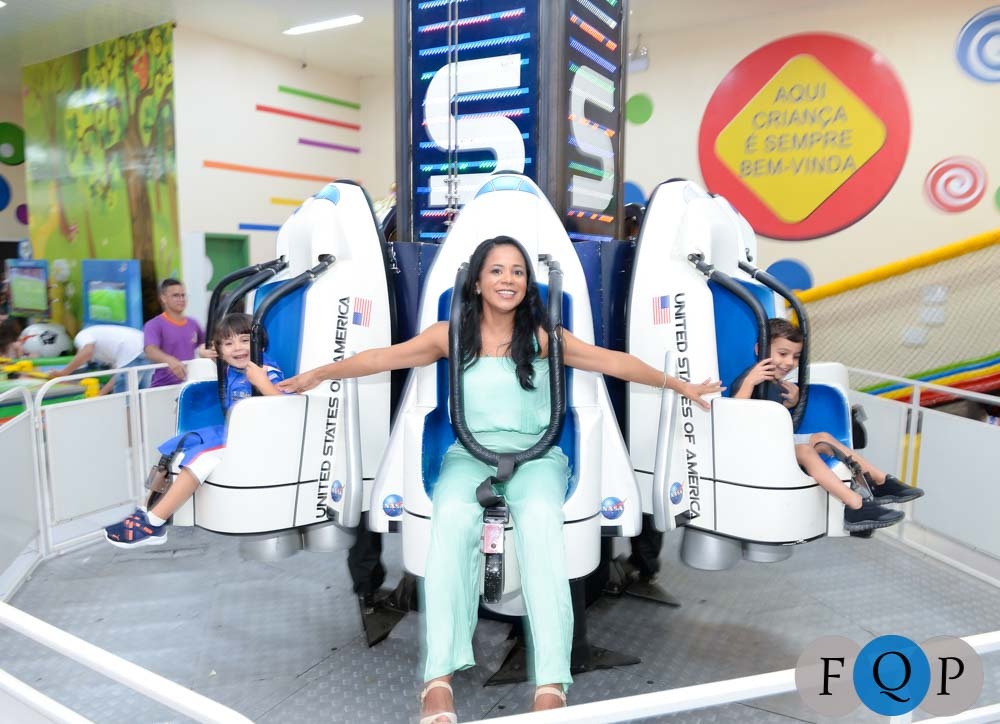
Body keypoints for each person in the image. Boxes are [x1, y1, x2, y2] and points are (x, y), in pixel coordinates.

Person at [278, 236, 722, 721]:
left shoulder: (544, 337)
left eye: (517, 271)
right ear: (477, 281)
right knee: (450, 519)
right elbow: (382, 358)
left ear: (527, 283)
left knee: (540, 522)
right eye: (496, 270)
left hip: (537, 456)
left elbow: (611, 361)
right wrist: (320, 372)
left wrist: (679, 385)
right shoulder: (448, 334)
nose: (508, 279)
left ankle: (551, 681)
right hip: (469, 454)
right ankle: (437, 680)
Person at [104, 313, 285, 547]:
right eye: (229, 343)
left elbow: (285, 406)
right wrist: (203, 352)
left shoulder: (265, 370)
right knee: (177, 447)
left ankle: (154, 522)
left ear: (259, 343)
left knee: (199, 458)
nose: (238, 348)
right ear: (220, 351)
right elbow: (210, 353)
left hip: (252, 437)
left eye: (245, 340)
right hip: (232, 430)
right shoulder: (231, 367)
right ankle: (146, 510)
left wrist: (262, 383)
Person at [731, 318, 924, 533]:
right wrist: (749, 382)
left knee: (822, 437)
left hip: (776, 442)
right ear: (760, 349)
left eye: (796, 356)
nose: (789, 362)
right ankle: (856, 506)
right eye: (782, 354)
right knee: (804, 451)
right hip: (755, 450)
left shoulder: (774, 384)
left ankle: (880, 482)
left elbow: (769, 415)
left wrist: (791, 404)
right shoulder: (751, 379)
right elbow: (732, 413)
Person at [143, 278, 213, 387]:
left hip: (190, 384)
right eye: (176, 295)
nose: (181, 299)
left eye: (183, 295)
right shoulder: (154, 324)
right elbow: (150, 350)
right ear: (163, 298)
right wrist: (169, 360)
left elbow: (205, 345)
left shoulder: (193, 324)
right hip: (163, 386)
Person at [50, 324, 150, 395]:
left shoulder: (81, 336)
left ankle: (127, 419)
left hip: (134, 349)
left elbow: (86, 353)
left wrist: (63, 373)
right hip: (146, 346)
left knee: (124, 399)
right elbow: (116, 378)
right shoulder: (107, 350)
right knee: (142, 394)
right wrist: (100, 394)